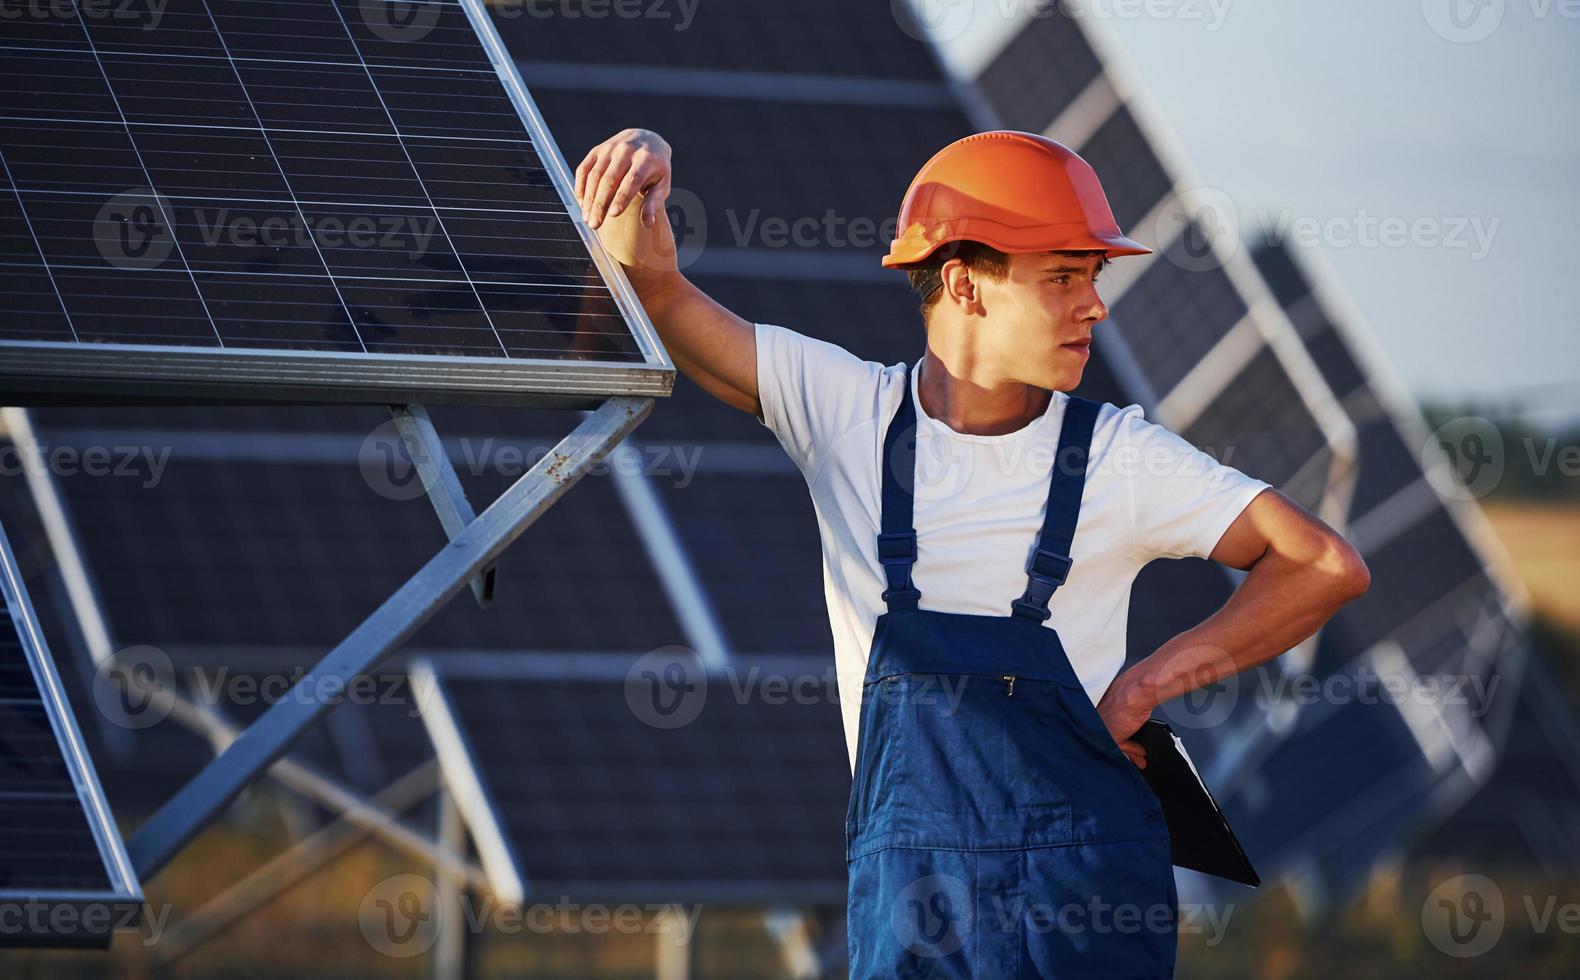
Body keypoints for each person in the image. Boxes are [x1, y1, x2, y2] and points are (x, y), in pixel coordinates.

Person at [577, 127, 1370, 977]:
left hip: (1083, 918)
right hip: (913, 917)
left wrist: (1148, 682)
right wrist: (644, 163)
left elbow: (1325, 564)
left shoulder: (1118, 456)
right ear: (963, 282)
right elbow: (658, 294)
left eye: (1092, 277)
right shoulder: (843, 416)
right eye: (1064, 276)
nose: (1094, 304)